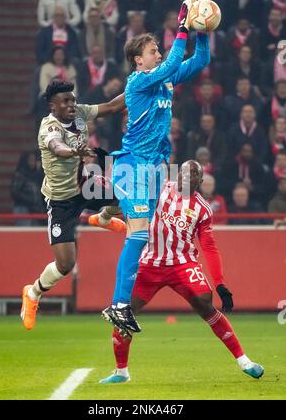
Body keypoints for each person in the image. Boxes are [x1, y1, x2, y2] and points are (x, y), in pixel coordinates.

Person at [92, 0, 211, 333]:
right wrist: (184, 26)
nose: (158, 53)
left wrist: (201, 29)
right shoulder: (137, 83)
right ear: (137, 61)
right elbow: (174, 62)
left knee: (138, 230)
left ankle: (104, 215)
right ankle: (118, 305)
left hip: (156, 169)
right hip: (134, 167)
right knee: (141, 233)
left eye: (160, 49)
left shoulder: (164, 79)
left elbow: (201, 59)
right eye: (152, 51)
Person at [99, 161, 264, 383]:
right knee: (125, 314)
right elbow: (131, 201)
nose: (187, 178)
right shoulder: (158, 189)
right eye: (184, 173)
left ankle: (244, 361)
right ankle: (121, 372)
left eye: (193, 175)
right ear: (177, 175)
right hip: (149, 263)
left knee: (206, 304)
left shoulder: (203, 209)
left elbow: (209, 246)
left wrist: (220, 283)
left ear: (200, 182)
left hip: (182, 264)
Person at [20, 80, 126, 330]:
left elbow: (111, 106)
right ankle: (33, 293)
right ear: (52, 105)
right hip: (60, 200)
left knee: (124, 197)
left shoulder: (79, 112)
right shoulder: (49, 127)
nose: (71, 104)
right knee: (66, 264)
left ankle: (102, 219)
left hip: (84, 185)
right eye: (65, 101)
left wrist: (140, 82)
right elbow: (58, 148)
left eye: (72, 99)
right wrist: (76, 152)